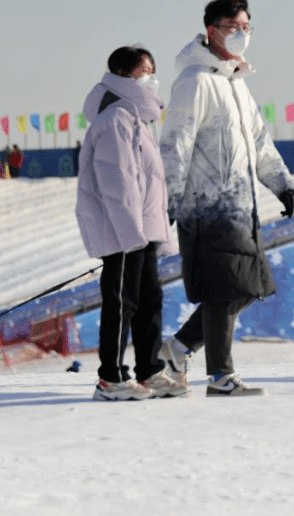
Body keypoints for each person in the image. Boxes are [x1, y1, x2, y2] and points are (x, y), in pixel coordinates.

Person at [158, 0, 294, 397]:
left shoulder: (235, 84)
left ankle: (178, 348)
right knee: (223, 290)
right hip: (205, 205)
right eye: (233, 28)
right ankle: (220, 374)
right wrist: (169, 198)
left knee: (250, 287)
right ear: (211, 31)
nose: (241, 35)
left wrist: (281, 183)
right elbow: (175, 143)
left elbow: (259, 139)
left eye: (247, 27)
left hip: (240, 207)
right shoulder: (195, 82)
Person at [76, 45, 188, 401]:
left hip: (143, 231)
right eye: (146, 70)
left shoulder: (138, 120)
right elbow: (118, 183)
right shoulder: (115, 121)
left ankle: (149, 370)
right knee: (122, 303)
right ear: (124, 75)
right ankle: (111, 378)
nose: (152, 77)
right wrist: (131, 234)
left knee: (149, 301)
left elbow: (150, 181)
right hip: (125, 233)